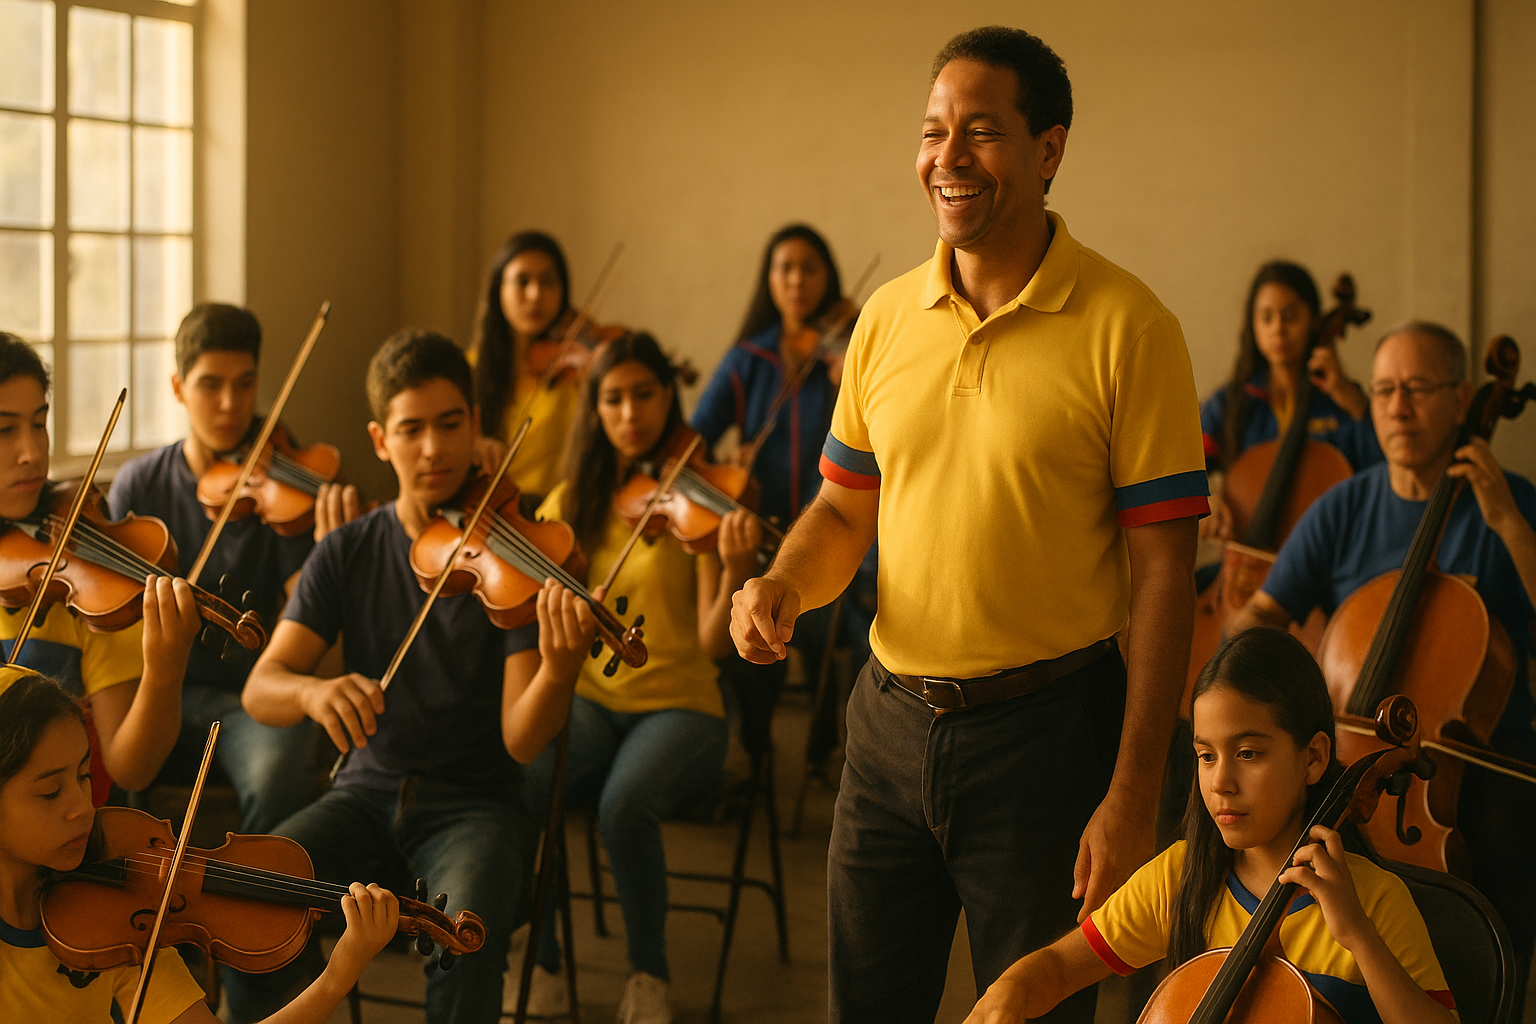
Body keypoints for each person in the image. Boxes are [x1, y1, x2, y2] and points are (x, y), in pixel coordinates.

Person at [730, 26, 1209, 1024]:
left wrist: (1134, 791)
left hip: (1046, 741)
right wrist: (782, 581)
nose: (947, 156)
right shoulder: (885, 320)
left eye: (981, 131)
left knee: (1029, 1011)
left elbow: (1165, 571)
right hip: (888, 725)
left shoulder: (1133, 327)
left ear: (1048, 150)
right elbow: (839, 510)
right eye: (933, 130)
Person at [230, 330, 599, 1024]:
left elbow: (523, 742)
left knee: (463, 934)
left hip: (475, 805)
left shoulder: (512, 557)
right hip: (363, 794)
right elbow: (262, 688)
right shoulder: (346, 549)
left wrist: (558, 668)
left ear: (475, 426)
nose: (434, 448)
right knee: (253, 898)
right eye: (412, 429)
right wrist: (314, 691)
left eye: (450, 424)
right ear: (379, 439)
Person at [1229, 320, 1536, 1005]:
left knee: (1512, 839)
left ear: (1462, 400)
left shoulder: (1512, 503)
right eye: (1386, 390)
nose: (1398, 407)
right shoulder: (1343, 507)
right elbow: (1258, 620)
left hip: (1483, 770)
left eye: (1419, 389)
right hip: (1352, 768)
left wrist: (1510, 525)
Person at [962, 627, 1456, 1024]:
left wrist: (1360, 937)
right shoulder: (1183, 877)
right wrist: (1012, 990)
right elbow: (1060, 967)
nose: (1221, 782)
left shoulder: (1373, 900)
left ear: (1314, 758)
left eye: (1248, 754)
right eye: (1205, 755)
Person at [521, 332, 760, 1024]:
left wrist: (738, 565)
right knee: (529, 783)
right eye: (614, 399)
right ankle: (541, 962)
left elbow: (716, 644)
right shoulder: (573, 500)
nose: (631, 413)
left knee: (623, 806)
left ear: (668, 398)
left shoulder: (700, 498)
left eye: (645, 395)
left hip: (682, 706)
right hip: (594, 699)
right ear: (595, 410)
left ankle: (648, 976)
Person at [0, 666, 401, 1023]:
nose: (82, 807)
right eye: (51, 792)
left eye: (84, 775)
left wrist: (337, 976)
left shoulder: (111, 914)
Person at [106, 304, 359, 832]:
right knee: (119, 776)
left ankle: (260, 906)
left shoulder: (280, 489)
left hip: (254, 696)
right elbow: (120, 628)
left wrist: (328, 555)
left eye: (245, 385)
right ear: (178, 388)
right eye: (210, 385)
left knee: (277, 778)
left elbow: (306, 632)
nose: (230, 405)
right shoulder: (139, 486)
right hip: (163, 685)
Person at [691, 224, 862, 779]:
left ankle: (839, 746)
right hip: (761, 540)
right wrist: (728, 470)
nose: (796, 280)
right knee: (753, 629)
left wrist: (857, 368)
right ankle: (757, 745)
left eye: (809, 267)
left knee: (856, 631)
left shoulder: (848, 350)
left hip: (835, 537)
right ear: (769, 279)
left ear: (827, 278)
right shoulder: (748, 359)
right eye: (785, 267)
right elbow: (692, 439)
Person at [0, 333, 201, 796]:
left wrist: (164, 673)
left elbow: (131, 768)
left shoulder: (85, 577)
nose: (32, 452)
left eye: (39, 423)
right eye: (5, 430)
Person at [1200, 261, 1380, 543]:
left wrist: (1357, 406)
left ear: (1313, 320)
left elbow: (1383, 477)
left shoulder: (1341, 400)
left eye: (1290, 316)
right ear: (1253, 324)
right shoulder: (1232, 403)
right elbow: (1181, 468)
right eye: (1266, 317)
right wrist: (1207, 498)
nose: (1278, 329)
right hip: (1242, 562)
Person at [471, 231, 619, 499]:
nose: (536, 294)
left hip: (557, 518)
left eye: (549, 282)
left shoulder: (579, 371)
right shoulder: (467, 370)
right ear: (498, 290)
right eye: (522, 281)